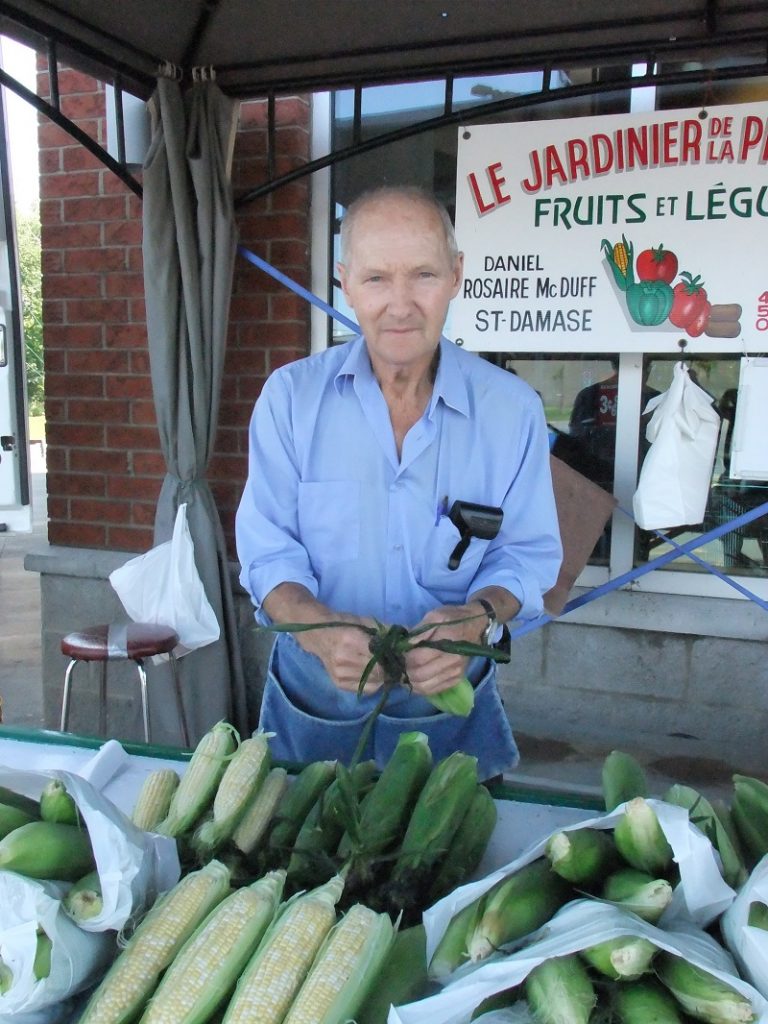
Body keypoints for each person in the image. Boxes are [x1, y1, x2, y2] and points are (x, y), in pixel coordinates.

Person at [235, 186, 562, 780]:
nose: (401, 305)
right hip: (315, 698)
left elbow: (526, 557)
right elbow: (266, 552)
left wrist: (476, 617)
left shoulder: (512, 411)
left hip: (449, 707)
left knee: (458, 844)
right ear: (345, 283)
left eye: (424, 275)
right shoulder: (290, 399)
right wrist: (318, 628)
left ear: (457, 274)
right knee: (299, 840)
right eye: (377, 278)